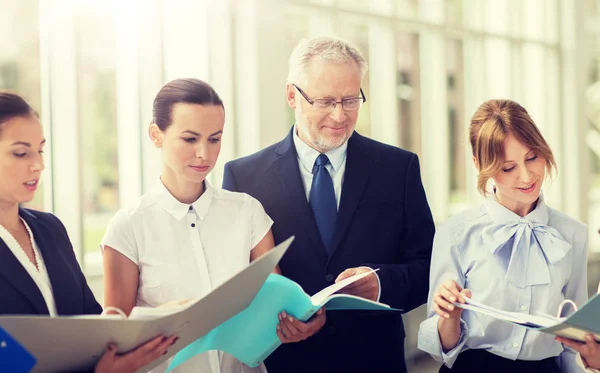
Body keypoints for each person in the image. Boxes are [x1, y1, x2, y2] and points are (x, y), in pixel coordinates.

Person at [222, 36, 435, 373]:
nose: (340, 115)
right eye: (325, 101)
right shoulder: (244, 178)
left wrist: (382, 283)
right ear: (292, 95)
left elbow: (429, 266)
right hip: (286, 363)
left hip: (375, 361)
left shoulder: (398, 169)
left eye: (351, 100)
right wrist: (275, 319)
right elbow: (234, 283)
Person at [101, 78, 324, 373]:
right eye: (190, 139)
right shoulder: (128, 227)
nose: (204, 154)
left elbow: (275, 297)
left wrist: (301, 320)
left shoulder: (247, 212)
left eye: (214, 139)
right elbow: (115, 339)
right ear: (156, 135)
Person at [0, 91, 176, 373]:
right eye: (21, 153)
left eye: (40, 150)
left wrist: (149, 322)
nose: (39, 164)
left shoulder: (50, 230)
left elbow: (90, 322)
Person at [418, 99, 589, 373]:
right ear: (479, 164)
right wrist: (450, 316)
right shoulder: (456, 233)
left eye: (532, 157)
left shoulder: (574, 234)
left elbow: (574, 342)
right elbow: (443, 350)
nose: (526, 176)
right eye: (508, 168)